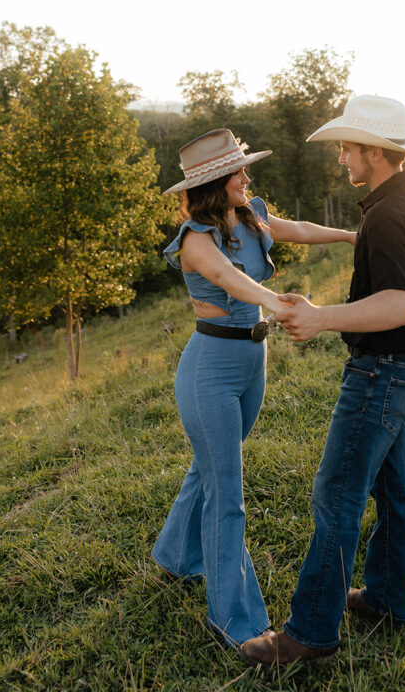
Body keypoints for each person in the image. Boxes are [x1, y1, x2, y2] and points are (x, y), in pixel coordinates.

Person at [240, 94, 405, 667]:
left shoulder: (390, 214)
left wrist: (321, 316)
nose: (342, 159)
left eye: (348, 148)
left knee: (337, 495)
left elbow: (399, 305)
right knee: (394, 487)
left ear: (375, 152)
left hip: (383, 372)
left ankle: (309, 635)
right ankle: (384, 598)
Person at [151, 128, 356, 649]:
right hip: (210, 370)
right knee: (228, 494)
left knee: (211, 465)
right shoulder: (196, 241)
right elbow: (230, 280)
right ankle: (235, 622)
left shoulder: (250, 215)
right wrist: (278, 303)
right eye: (239, 172)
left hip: (251, 362)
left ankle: (175, 556)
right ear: (217, 183)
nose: (248, 177)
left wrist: (354, 237)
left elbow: (301, 229)